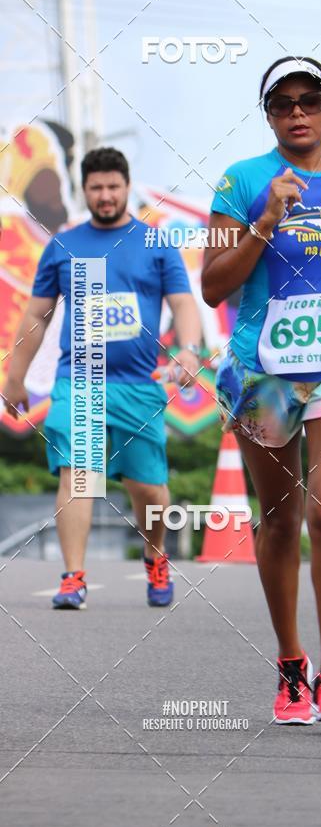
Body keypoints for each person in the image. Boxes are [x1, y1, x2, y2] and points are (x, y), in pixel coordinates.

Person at [202, 56, 321, 725]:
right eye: (283, 103)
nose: (297, 112)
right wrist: (266, 221)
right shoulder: (244, 179)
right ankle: (291, 666)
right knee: (280, 518)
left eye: (309, 99)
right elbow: (213, 285)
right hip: (262, 371)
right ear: (269, 114)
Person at [3, 147, 201, 609]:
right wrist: (14, 379)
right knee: (80, 475)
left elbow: (184, 304)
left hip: (137, 385)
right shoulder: (64, 245)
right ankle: (73, 577)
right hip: (81, 380)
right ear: (85, 191)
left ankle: (155, 557)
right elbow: (36, 315)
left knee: (148, 486)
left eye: (114, 186)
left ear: (126, 187)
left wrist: (189, 349)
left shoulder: (155, 244)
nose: (106, 195)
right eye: (97, 187)